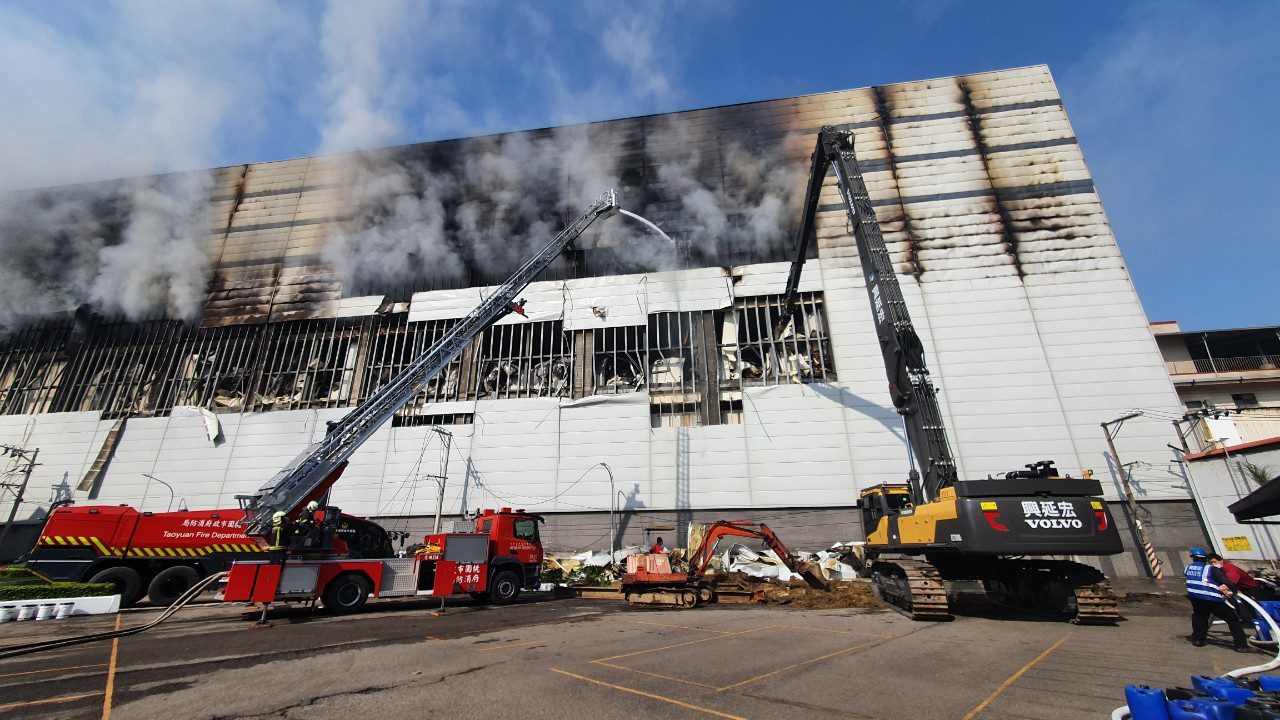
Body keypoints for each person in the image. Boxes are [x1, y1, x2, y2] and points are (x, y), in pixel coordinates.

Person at [1186, 546, 1251, 652]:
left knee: (1200, 618)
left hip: (1196, 598)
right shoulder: (1211, 569)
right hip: (1212, 599)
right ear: (1205, 559)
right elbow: (1229, 583)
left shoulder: (1188, 568)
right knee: (1233, 619)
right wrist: (1232, 591)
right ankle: (1241, 645)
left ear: (1193, 558)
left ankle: (1198, 640)